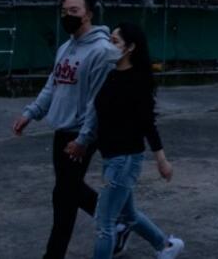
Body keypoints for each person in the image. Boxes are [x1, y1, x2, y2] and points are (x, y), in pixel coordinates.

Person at [13, 0, 118, 259]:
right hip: (62, 130)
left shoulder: (102, 52)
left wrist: (84, 139)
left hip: (83, 132)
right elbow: (53, 83)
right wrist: (31, 112)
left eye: (73, 10)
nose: (67, 16)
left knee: (64, 196)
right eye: (64, 11)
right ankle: (116, 221)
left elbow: (98, 102)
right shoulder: (65, 47)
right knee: (67, 189)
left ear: (89, 14)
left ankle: (54, 254)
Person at [68, 22, 183, 259]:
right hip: (110, 156)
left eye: (114, 41)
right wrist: (83, 141)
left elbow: (147, 123)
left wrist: (162, 160)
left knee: (104, 223)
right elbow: (96, 113)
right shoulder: (110, 75)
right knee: (127, 215)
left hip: (125, 159)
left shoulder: (138, 81)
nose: (108, 45)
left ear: (130, 48)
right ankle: (166, 246)